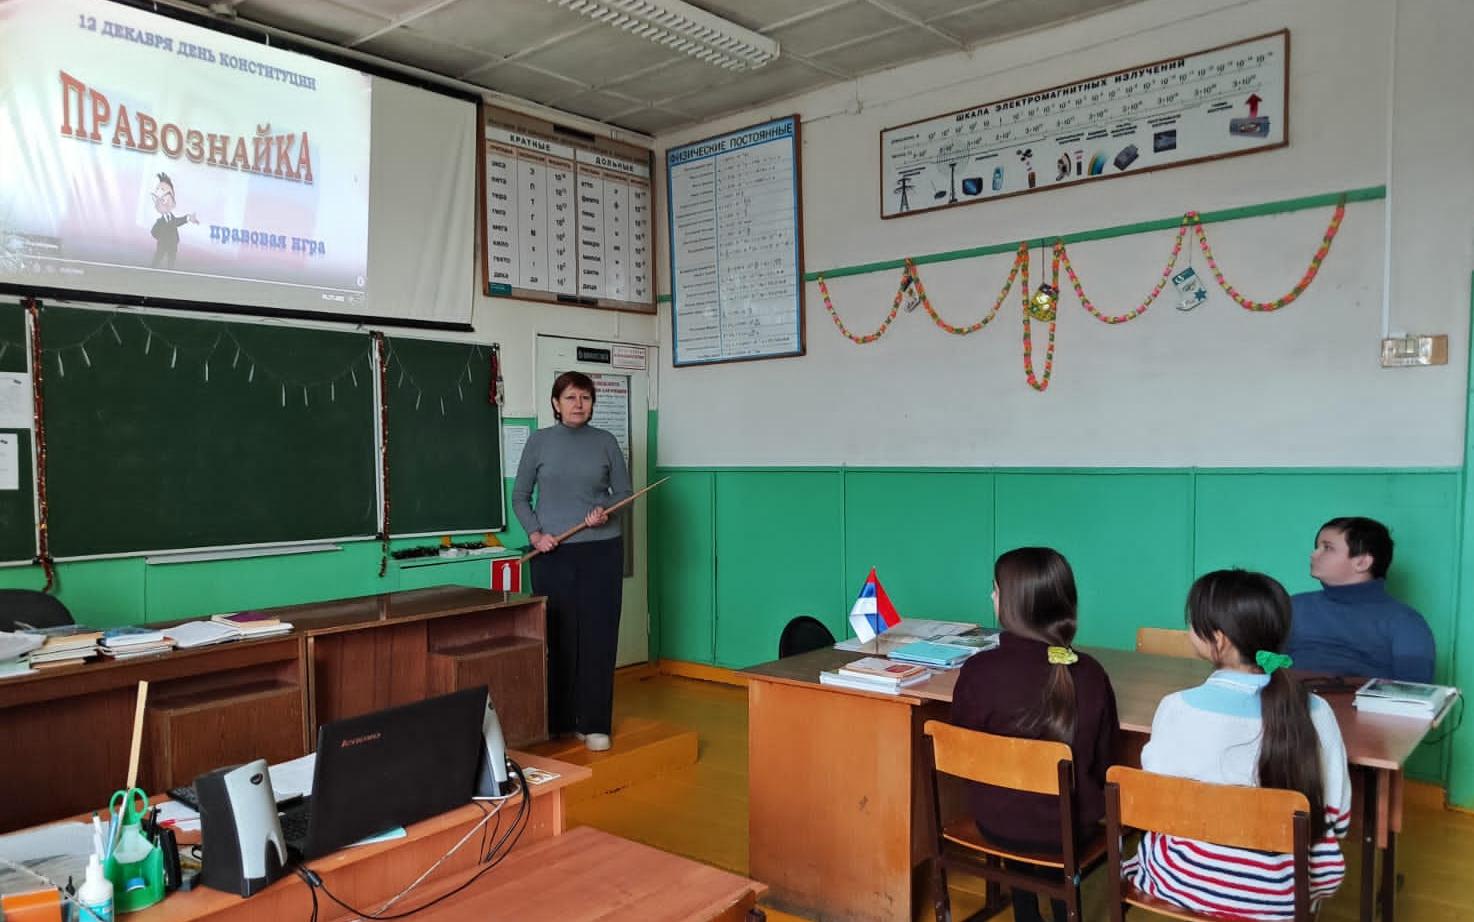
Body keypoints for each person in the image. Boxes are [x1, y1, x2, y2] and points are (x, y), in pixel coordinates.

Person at [1124, 569, 1352, 919]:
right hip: (1286, 895)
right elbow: (1338, 819)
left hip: (1185, 880)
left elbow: (1156, 801)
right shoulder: (1317, 711)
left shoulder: (1178, 707)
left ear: (1218, 640)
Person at [949, 547, 1119, 922]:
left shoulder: (979, 671)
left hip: (996, 825)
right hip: (1071, 831)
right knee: (1045, 818)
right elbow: (1106, 763)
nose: (990, 597)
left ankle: (1028, 912)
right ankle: (1063, 907)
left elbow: (963, 751)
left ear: (1007, 602)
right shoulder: (1090, 674)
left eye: (994, 590)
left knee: (1019, 810)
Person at [512, 371, 631, 752]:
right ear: (555, 403)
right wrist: (535, 535)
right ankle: (560, 721)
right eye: (570, 397)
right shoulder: (539, 442)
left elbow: (625, 493)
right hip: (552, 552)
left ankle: (594, 723)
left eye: (585, 397)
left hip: (601, 551)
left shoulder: (606, 442)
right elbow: (519, 496)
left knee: (598, 636)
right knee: (557, 636)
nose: (578, 404)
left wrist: (606, 511)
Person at [1287, 516, 1435, 682]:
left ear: (1362, 562)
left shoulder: (1406, 622)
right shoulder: (1293, 606)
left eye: (1327, 548)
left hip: (1361, 706)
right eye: (1317, 547)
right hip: (1288, 704)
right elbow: (1258, 667)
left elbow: (1413, 692)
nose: (1314, 555)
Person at [149, 173, 198, 269]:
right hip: (162, 244)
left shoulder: (172, 218)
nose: (164, 200)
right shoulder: (159, 222)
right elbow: (153, 232)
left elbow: (177, 222)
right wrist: (162, 238)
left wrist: (188, 218)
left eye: (168, 195)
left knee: (171, 261)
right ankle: (152, 270)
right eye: (160, 197)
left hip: (173, 244)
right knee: (158, 258)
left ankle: (170, 273)